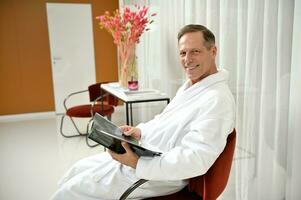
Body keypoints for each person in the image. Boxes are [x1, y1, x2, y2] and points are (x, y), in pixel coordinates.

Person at [50, 24, 235, 200]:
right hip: (145, 156)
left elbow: (195, 159)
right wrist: (139, 131)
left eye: (195, 51)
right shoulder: (191, 87)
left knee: (71, 191)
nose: (187, 60)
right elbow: (163, 120)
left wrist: (137, 163)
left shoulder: (217, 100)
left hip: (156, 175)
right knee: (75, 170)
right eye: (183, 53)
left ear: (213, 51)